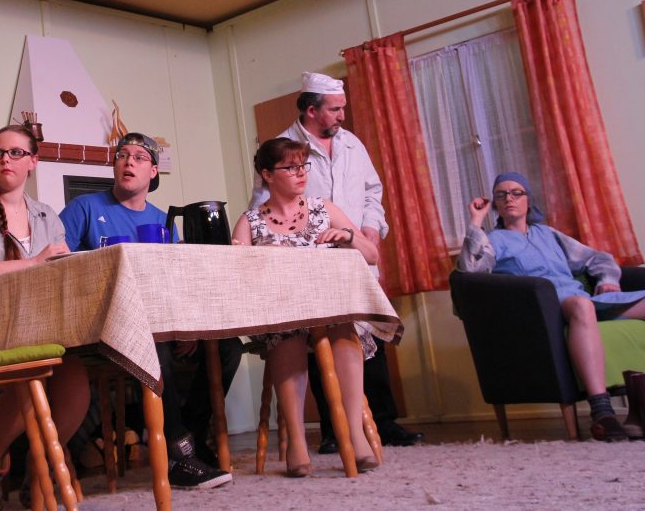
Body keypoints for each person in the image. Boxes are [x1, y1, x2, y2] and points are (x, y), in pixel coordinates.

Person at [249, 71, 422, 452]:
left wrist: (370, 229)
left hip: (355, 252)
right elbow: (261, 206)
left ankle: (382, 422)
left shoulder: (352, 144)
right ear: (312, 110)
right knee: (315, 340)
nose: (342, 115)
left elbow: (372, 192)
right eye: (335, 109)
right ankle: (333, 429)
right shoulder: (284, 149)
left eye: (342, 108)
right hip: (310, 269)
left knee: (368, 333)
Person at [59, 132, 239, 490]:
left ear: (153, 171)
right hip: (105, 324)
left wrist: (186, 326)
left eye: (139, 157)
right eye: (122, 155)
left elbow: (174, 279)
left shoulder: (164, 219)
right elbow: (58, 264)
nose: (128, 162)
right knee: (154, 346)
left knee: (228, 346)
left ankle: (192, 432)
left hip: (161, 321)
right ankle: (180, 453)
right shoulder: (84, 208)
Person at [0, 124, 90, 509]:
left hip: (33, 326)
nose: (5, 159)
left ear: (33, 162)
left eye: (15, 153)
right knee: (29, 376)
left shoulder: (47, 217)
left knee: (75, 378)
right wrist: (35, 262)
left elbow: (63, 272)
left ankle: (40, 472)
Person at [457, 171, 645, 441]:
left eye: (516, 193)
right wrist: (475, 221)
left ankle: (639, 411)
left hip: (583, 299)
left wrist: (607, 280)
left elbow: (596, 258)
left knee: (586, 303)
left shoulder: (548, 234)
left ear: (528, 200)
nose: (509, 198)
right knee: (581, 305)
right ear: (495, 203)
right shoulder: (494, 240)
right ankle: (602, 412)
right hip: (543, 309)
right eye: (501, 194)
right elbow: (470, 270)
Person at [234, 136, 380, 475]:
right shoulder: (251, 220)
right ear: (268, 175)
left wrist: (348, 237)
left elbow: (372, 255)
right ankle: (297, 442)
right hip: (281, 309)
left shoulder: (322, 208)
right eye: (291, 167)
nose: (301, 173)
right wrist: (254, 257)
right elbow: (237, 276)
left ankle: (354, 434)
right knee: (287, 331)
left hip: (329, 306)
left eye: (303, 165)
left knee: (343, 326)